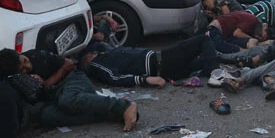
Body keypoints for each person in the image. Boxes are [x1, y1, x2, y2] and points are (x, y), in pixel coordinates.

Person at [0, 49, 138, 130]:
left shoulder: (37, 56)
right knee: (46, 116)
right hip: (54, 96)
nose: (28, 66)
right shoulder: (13, 78)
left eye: (25, 61)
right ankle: (108, 113)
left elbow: (69, 64)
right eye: (23, 69)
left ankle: (123, 106)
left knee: (67, 100)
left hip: (72, 80)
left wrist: (48, 82)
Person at [81, 34, 219, 88]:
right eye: (90, 53)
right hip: (162, 61)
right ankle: (217, 74)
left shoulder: (103, 53)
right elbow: (115, 78)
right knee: (204, 39)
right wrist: (145, 80)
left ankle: (228, 63)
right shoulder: (96, 64)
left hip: (165, 66)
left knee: (205, 58)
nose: (93, 52)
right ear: (85, 59)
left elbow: (102, 39)